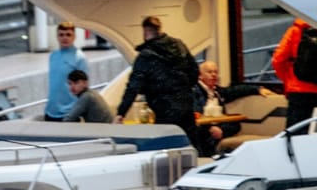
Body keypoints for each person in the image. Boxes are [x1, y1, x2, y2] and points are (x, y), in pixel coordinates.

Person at [114, 16, 199, 146]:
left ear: (145, 32)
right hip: (185, 104)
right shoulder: (180, 45)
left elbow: (133, 87)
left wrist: (121, 113)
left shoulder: (146, 56)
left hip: (164, 108)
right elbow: (194, 71)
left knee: (165, 147)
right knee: (191, 142)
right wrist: (184, 88)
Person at [192, 60, 273, 156]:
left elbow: (235, 90)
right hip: (203, 129)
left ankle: (220, 135)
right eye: (209, 72)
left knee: (235, 124)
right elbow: (196, 115)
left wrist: (257, 89)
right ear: (200, 75)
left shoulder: (216, 91)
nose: (213, 75)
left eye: (215, 72)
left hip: (218, 124)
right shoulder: (194, 91)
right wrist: (210, 128)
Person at [271, 18, 317, 135]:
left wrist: (289, 80)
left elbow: (278, 60)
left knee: (295, 134)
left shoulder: (295, 30)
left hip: (299, 90)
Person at [45, 21, 88, 121]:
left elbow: (83, 88)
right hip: (51, 111)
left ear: (74, 37)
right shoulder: (53, 56)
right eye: (61, 35)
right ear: (57, 37)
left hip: (69, 113)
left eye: (68, 35)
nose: (65, 38)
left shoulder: (80, 58)